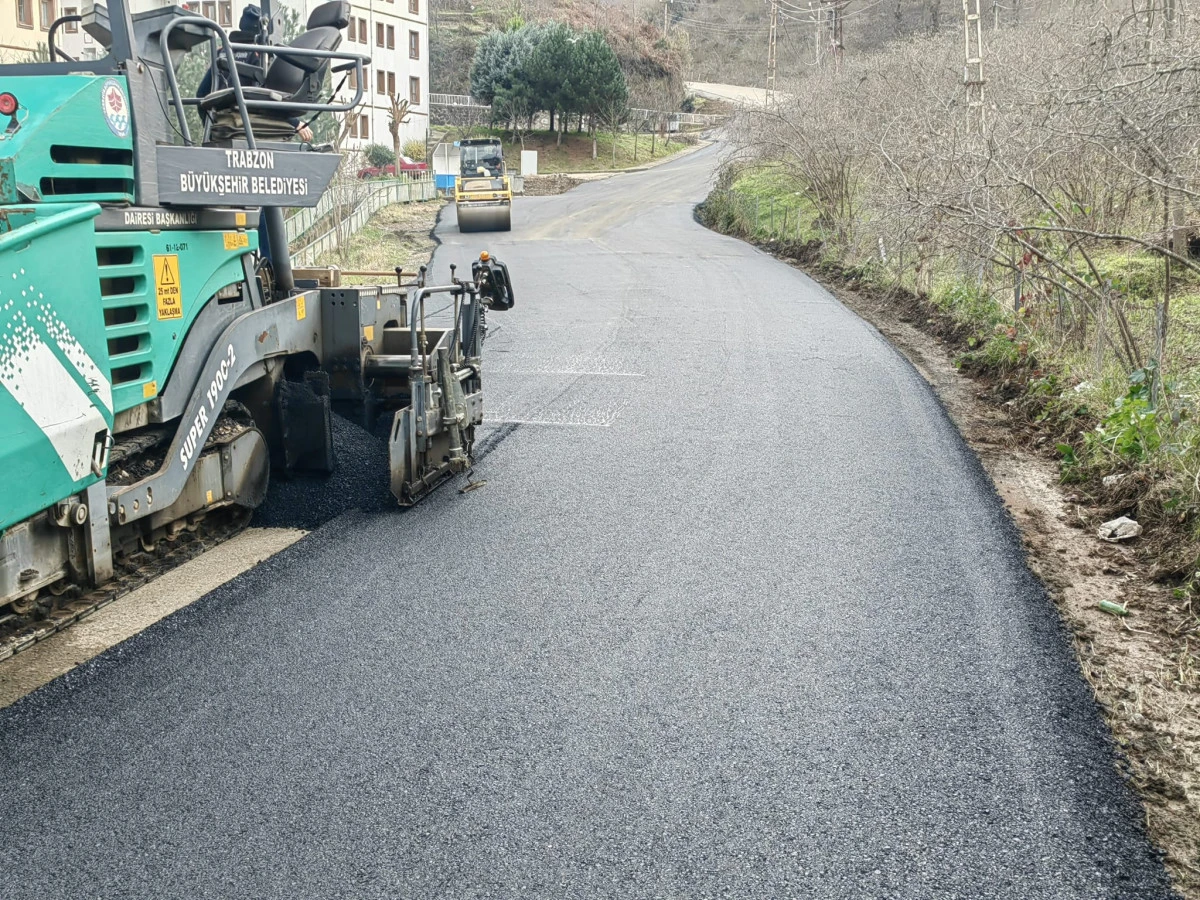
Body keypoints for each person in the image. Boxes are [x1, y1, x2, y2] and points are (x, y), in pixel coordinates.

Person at [196, 4, 314, 142]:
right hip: (245, 129)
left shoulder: (222, 53)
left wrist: (211, 130)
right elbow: (262, 98)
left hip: (224, 127)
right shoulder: (258, 55)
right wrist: (295, 123)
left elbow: (201, 95)